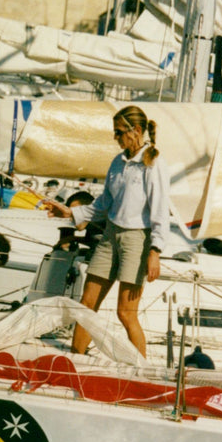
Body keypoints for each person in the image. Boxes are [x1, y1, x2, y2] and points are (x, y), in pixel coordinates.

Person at [43, 105, 170, 358]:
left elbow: (160, 210)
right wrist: (70, 213)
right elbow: (103, 205)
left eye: (119, 132)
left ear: (135, 131)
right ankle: (75, 360)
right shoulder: (118, 162)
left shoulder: (152, 163)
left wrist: (155, 250)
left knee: (126, 312)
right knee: (87, 305)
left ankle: (140, 372)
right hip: (111, 235)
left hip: (137, 239)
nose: (116, 138)